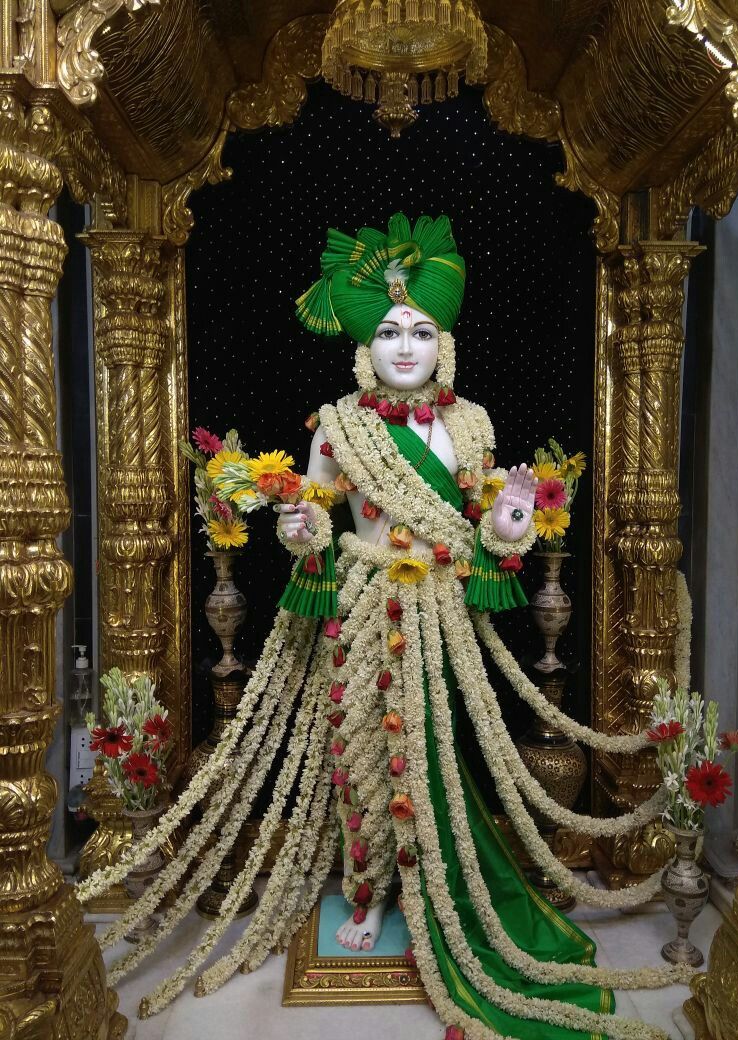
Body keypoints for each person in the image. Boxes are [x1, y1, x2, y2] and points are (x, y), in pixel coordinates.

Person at [88, 214, 685, 1040]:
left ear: (445, 342)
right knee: (360, 749)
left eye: (422, 330)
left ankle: (439, 886)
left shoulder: (469, 424)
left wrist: (514, 514)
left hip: (439, 613)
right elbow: (319, 517)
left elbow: (489, 534)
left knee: (435, 743)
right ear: (367, 345)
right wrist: (299, 530)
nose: (406, 345)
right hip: (365, 608)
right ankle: (365, 892)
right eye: (392, 331)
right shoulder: (340, 424)